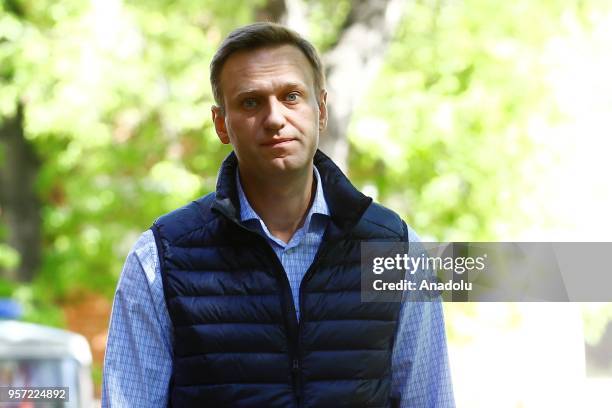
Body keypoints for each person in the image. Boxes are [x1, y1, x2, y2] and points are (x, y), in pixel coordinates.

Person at [102, 22, 455, 407]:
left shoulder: (394, 249)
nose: (274, 118)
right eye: (250, 102)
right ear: (221, 124)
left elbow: (430, 399)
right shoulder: (159, 261)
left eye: (291, 96)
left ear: (320, 110)